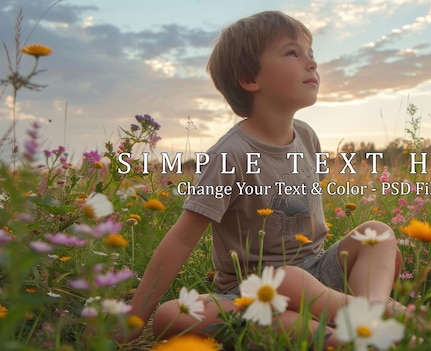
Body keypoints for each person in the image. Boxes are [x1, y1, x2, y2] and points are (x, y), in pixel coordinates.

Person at [120, 10, 410, 348]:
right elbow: (182, 240)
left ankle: (368, 312)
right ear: (249, 78)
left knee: (377, 233)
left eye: (311, 54)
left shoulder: (307, 137)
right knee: (174, 316)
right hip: (250, 294)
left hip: (317, 271)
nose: (312, 63)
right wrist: (136, 316)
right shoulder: (230, 155)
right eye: (292, 53)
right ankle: (365, 329)